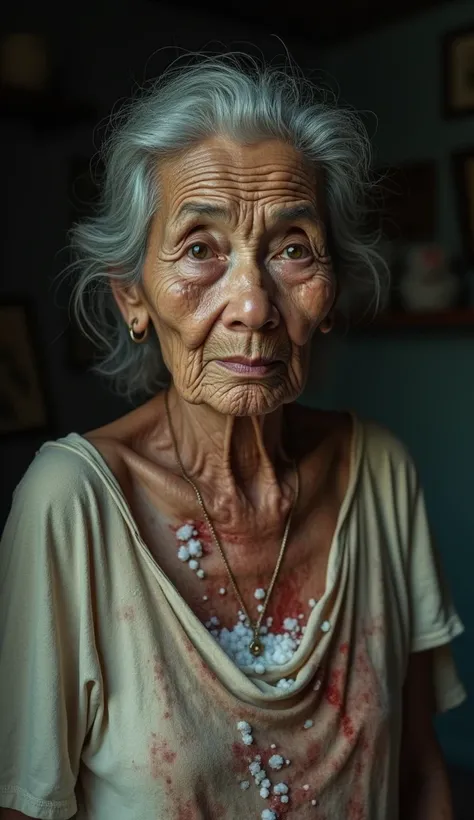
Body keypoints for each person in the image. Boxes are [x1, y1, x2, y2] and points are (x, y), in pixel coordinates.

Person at [0, 53, 465, 820]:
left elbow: (420, 776)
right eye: (199, 249)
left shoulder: (380, 472)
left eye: (291, 249)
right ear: (131, 297)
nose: (253, 305)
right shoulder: (72, 505)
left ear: (330, 288)